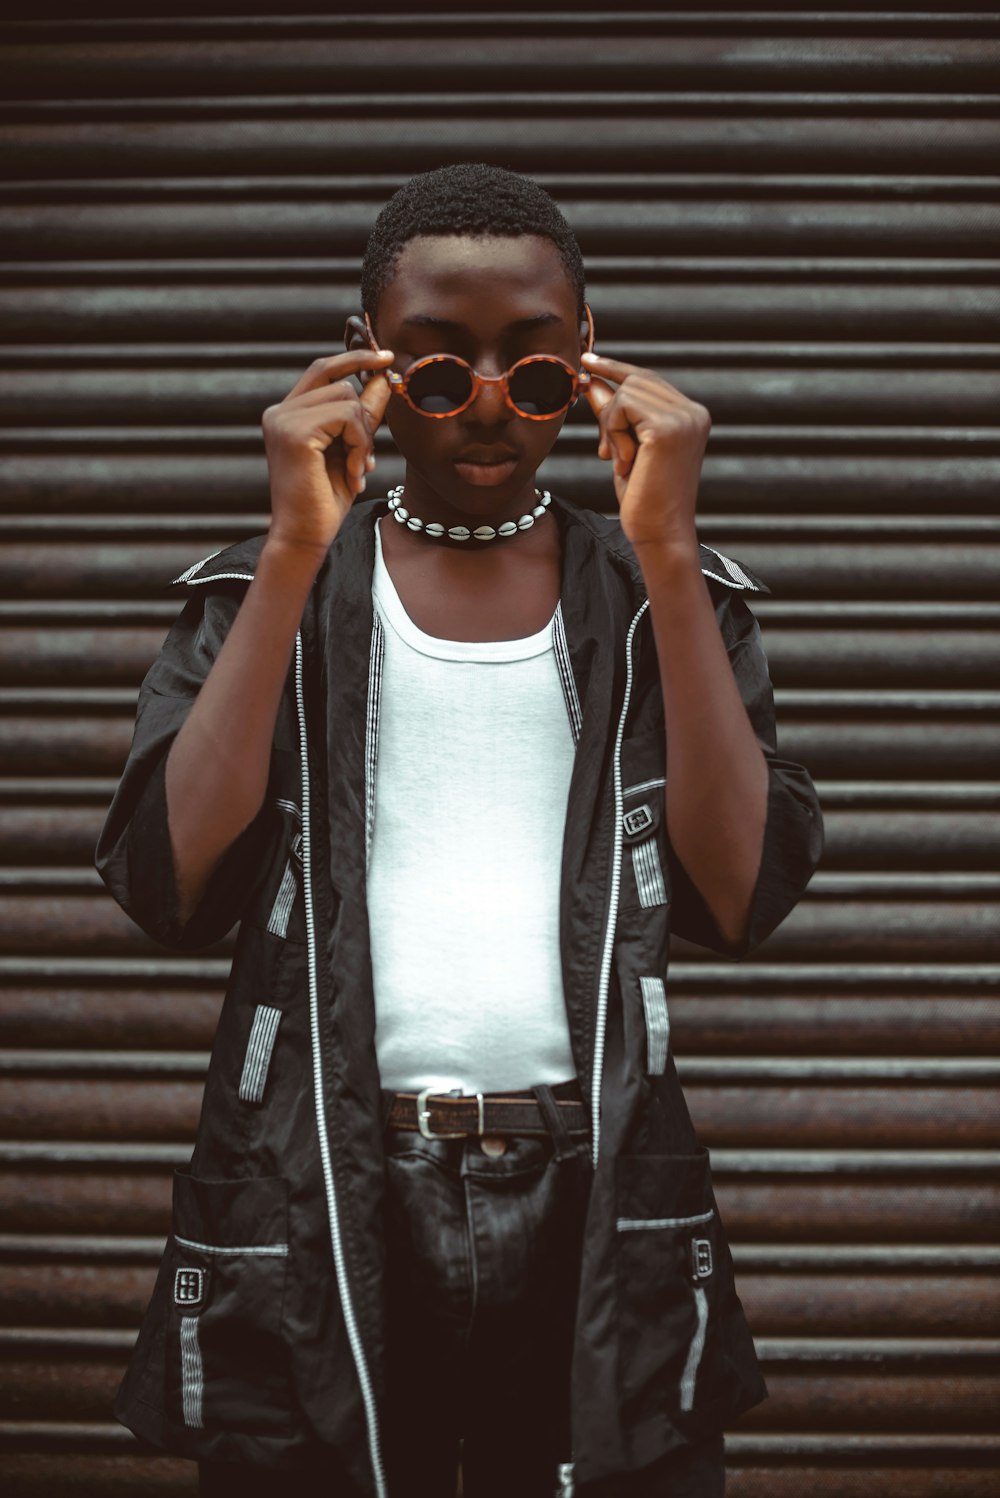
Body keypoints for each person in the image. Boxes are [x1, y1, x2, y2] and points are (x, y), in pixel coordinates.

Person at [96, 163, 823, 1498]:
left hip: (597, 1198)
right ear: (369, 362)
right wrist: (289, 549)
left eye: (533, 372)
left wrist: (667, 544)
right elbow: (167, 879)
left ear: (589, 361)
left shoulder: (665, 594)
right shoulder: (276, 591)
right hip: (330, 1190)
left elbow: (743, 892)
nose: (488, 403)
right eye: (439, 370)